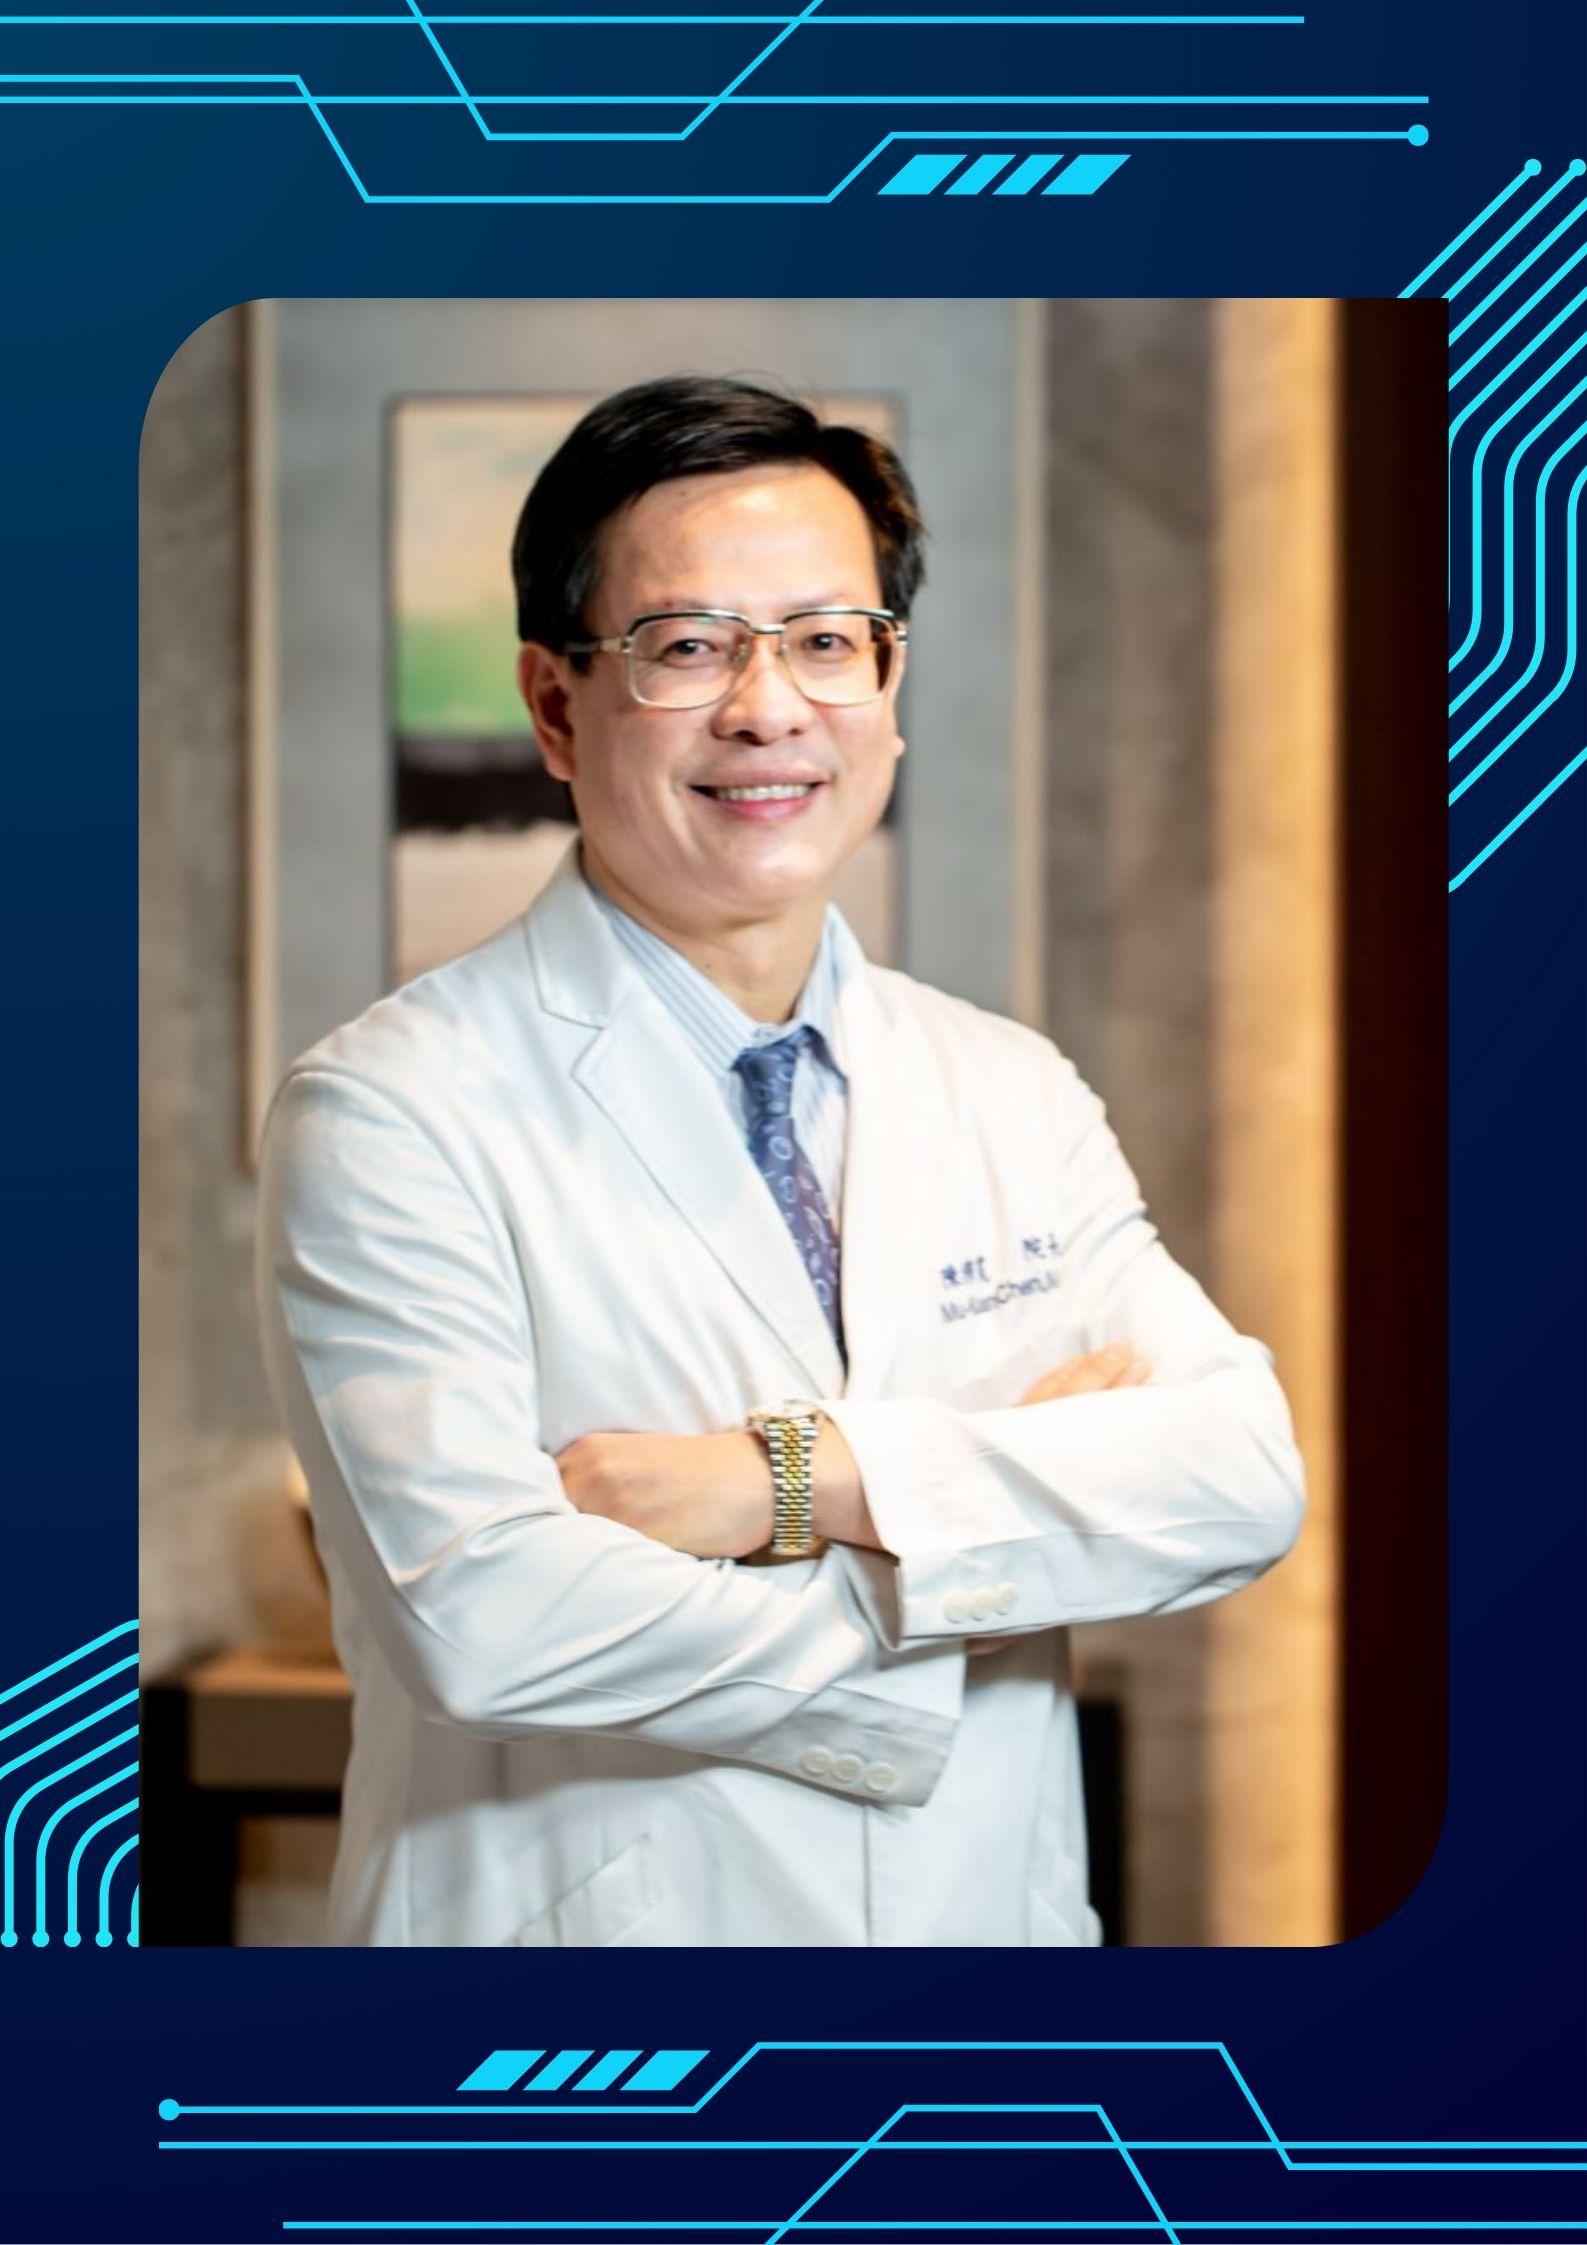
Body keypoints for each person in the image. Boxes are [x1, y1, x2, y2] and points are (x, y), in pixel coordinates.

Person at [256, 373, 1304, 1948]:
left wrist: (785, 1484)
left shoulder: (1007, 1088)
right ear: (554, 704)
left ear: (890, 679)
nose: (769, 707)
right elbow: (483, 1614)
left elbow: (1238, 1478)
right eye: (688, 646)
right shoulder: (394, 1109)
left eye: (827, 639)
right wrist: (998, 1546)